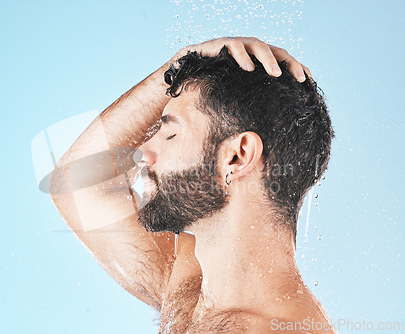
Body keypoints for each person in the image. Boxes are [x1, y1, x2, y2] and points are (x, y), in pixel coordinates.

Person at [49, 36, 335, 333]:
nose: (140, 153)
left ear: (237, 157)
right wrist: (175, 66)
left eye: (170, 134)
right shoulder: (189, 284)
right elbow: (77, 182)